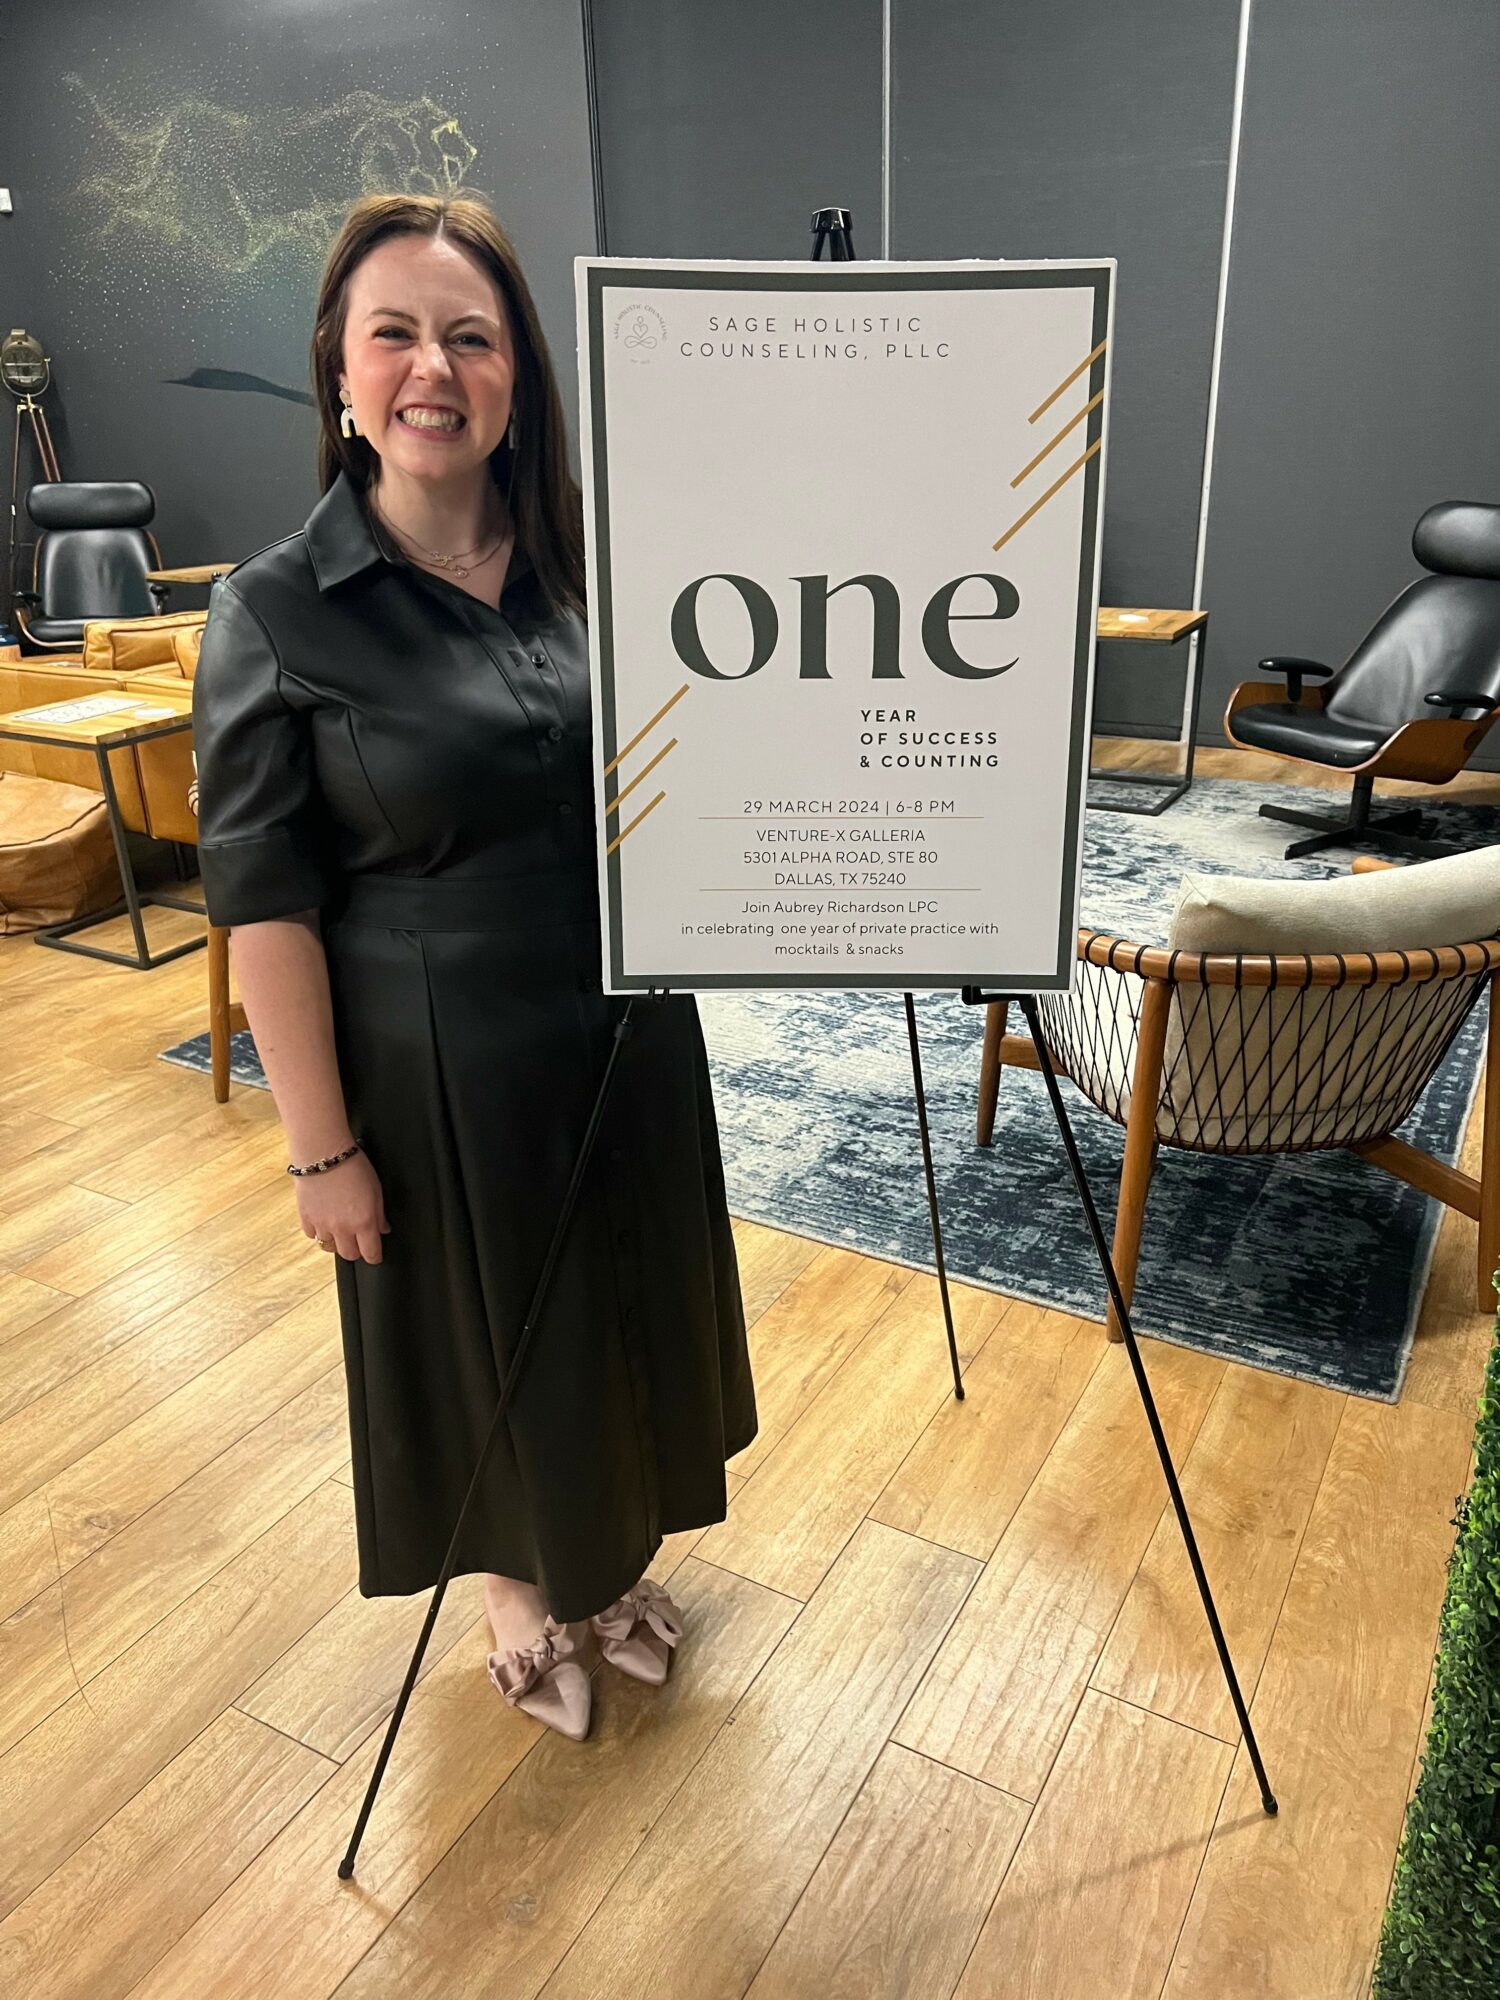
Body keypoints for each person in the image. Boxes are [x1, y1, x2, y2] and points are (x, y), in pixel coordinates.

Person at [190, 192, 758, 1743]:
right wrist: (320, 1149)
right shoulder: (273, 610)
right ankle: (517, 1590)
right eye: (396, 334)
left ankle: (611, 1558)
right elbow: (264, 905)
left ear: (518, 376)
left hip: (625, 1028)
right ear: (339, 366)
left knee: (618, 1303)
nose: (432, 367)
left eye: (471, 337)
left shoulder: (593, 566)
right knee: (489, 1334)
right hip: (436, 1056)